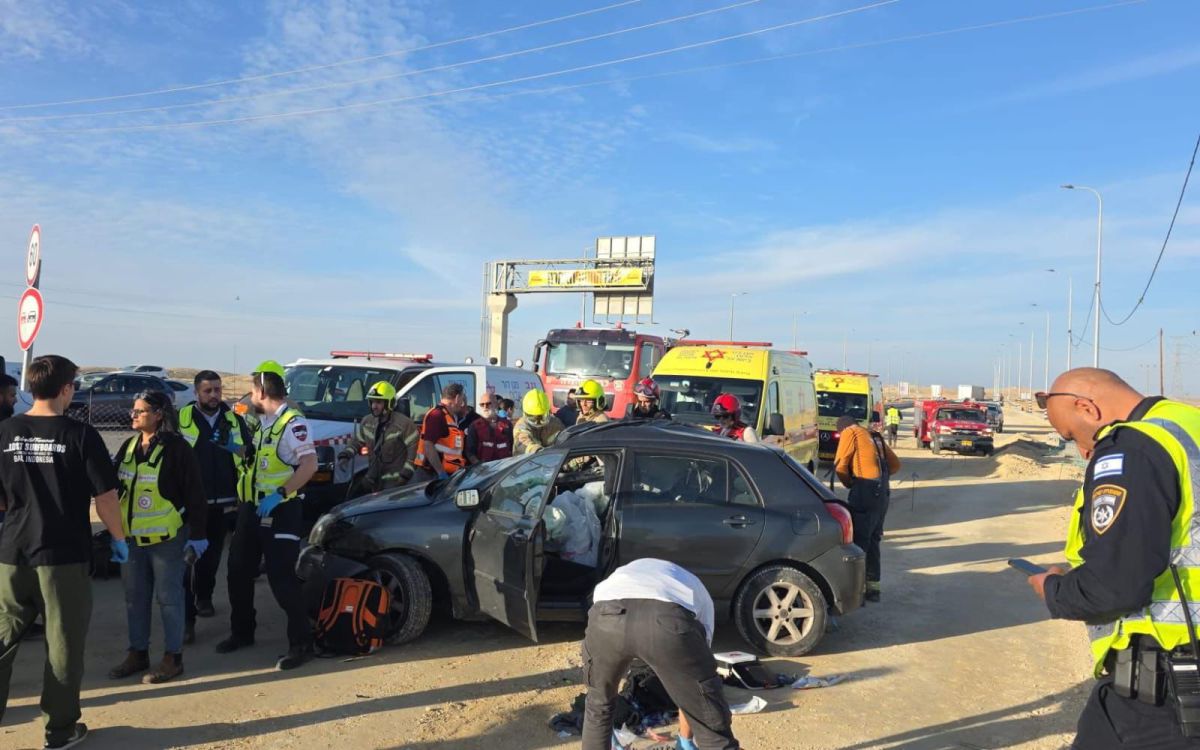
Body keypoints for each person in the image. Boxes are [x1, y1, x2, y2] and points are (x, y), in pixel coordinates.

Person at [1026, 368, 1200, 748]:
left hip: (1165, 694)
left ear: (1087, 408)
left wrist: (1054, 588)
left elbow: (1114, 586)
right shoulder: (1189, 427)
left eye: (1073, 437)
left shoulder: (1134, 447)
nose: (1085, 452)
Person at [0, 355, 124, 749]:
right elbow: (105, 497)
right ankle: (60, 729)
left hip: (11, 552)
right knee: (63, 644)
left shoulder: (5, 431)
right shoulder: (80, 435)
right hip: (63, 557)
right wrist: (119, 540)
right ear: (67, 388)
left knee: (3, 637)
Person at [218, 360, 317, 671]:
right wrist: (235, 448)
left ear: (260, 390)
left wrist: (281, 494)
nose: (249, 396)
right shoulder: (265, 420)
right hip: (252, 507)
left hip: (281, 509)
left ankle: (302, 643)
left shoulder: (293, 423)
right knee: (237, 570)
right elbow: (262, 460)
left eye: (251, 390)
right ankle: (242, 632)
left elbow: (309, 465)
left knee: (281, 577)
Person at [581, 558, 740, 750]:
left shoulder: (624, 574)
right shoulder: (699, 594)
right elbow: (695, 688)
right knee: (712, 729)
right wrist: (685, 740)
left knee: (598, 707)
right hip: (666, 618)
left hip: (605, 616)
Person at [107, 391, 206, 684]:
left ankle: (172, 658)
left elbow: (196, 495)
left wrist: (198, 536)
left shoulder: (178, 449)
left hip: (168, 541)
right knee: (134, 599)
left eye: (141, 411)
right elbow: (114, 489)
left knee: (169, 599)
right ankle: (138, 653)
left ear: (159, 414)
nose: (134, 415)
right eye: (133, 410)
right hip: (132, 541)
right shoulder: (128, 447)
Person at [177, 370, 252, 642]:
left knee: (210, 558)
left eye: (218, 390)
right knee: (184, 564)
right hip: (188, 504)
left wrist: (233, 447)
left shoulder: (234, 419)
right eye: (208, 391)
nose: (214, 395)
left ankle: (204, 597)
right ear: (196, 392)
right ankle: (186, 622)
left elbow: (249, 455)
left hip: (224, 502)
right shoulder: (181, 419)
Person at [834, 414, 900, 603]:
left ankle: (858, 592)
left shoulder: (850, 433)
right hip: (882, 495)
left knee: (858, 542)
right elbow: (895, 465)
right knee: (873, 541)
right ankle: (873, 589)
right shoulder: (874, 436)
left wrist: (850, 483)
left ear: (843, 428)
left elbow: (840, 466)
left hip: (865, 493)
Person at [338, 381, 417, 497]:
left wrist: (404, 476)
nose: (374, 406)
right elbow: (357, 441)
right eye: (372, 402)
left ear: (389, 403)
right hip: (373, 479)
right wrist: (345, 455)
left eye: (378, 402)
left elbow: (414, 453)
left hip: (395, 484)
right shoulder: (367, 422)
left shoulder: (405, 425)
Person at [413, 382, 468, 483]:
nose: (462, 404)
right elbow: (428, 445)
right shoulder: (437, 415)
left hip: (443, 473)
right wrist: (441, 473)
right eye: (461, 400)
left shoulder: (449, 416)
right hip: (431, 475)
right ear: (456, 398)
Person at [466, 393, 513, 464]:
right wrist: (479, 466)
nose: (485, 407)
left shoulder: (507, 424)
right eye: (482, 404)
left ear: (496, 405)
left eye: (488, 404)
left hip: (504, 469)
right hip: (484, 470)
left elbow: (511, 447)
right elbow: (470, 452)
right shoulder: (474, 426)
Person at [514, 389, 564, 454]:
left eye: (541, 417)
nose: (537, 422)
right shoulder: (521, 426)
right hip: (527, 461)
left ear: (548, 412)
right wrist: (538, 451)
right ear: (525, 413)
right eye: (533, 418)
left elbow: (565, 439)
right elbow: (524, 443)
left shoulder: (555, 423)